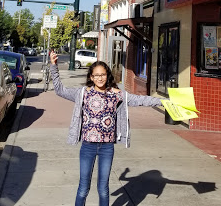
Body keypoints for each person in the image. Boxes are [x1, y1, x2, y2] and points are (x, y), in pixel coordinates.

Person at [49, 51, 163, 206]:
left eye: (102, 75)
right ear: (91, 77)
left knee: (103, 188)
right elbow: (59, 90)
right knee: (83, 188)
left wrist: (163, 102)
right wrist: (54, 66)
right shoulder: (83, 93)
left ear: (107, 75)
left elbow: (139, 100)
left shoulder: (116, 94)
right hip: (87, 146)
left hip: (106, 148)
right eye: (96, 75)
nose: (99, 78)